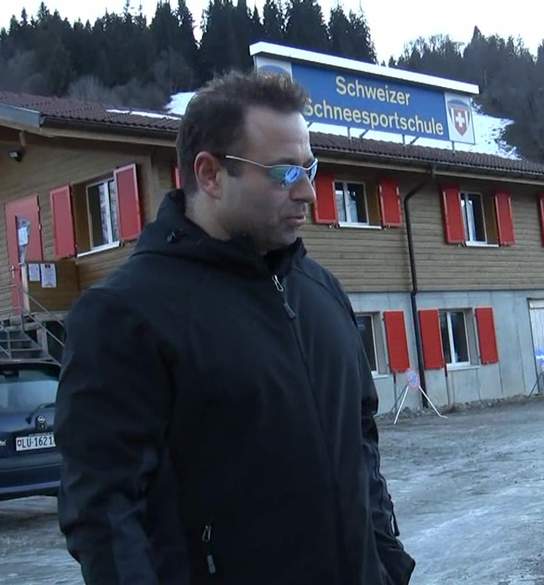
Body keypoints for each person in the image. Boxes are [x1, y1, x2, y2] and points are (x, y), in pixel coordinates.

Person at [54, 71, 415, 585]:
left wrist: (388, 562)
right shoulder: (125, 315)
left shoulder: (321, 292)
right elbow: (105, 516)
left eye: (310, 168)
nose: (309, 193)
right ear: (210, 174)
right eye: (284, 173)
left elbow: (361, 441)